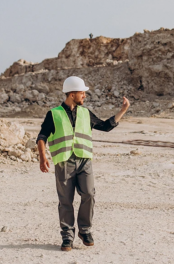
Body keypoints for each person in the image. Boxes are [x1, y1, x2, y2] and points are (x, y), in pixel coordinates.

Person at [36, 76, 130, 251]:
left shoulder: (86, 113)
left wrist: (123, 111)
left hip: (84, 161)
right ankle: (67, 236)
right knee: (65, 201)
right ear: (72, 94)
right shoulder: (54, 114)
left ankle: (84, 231)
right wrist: (43, 157)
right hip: (64, 162)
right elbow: (41, 137)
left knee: (89, 194)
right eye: (82, 93)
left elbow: (105, 126)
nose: (85, 96)